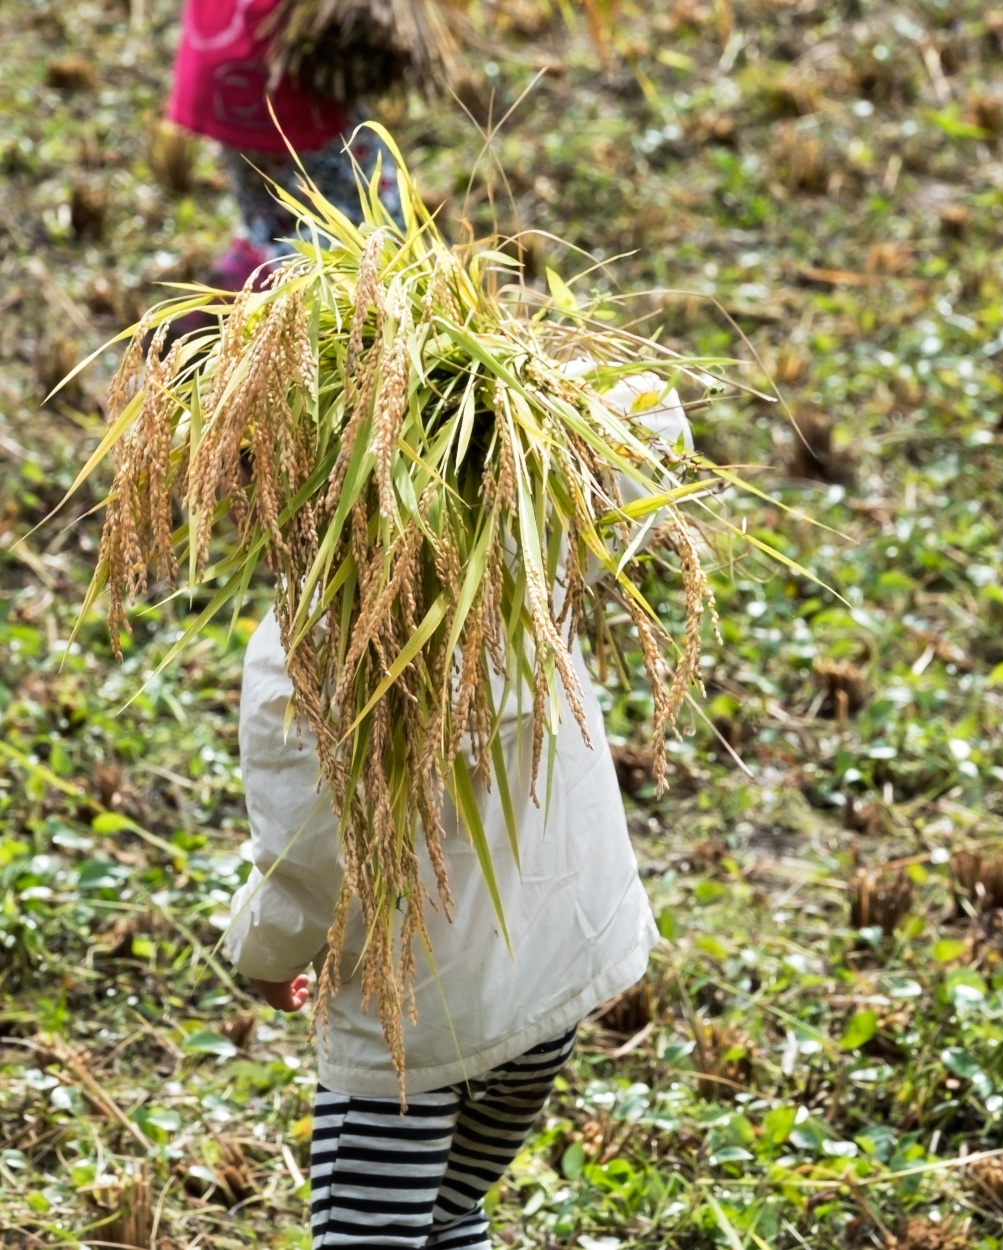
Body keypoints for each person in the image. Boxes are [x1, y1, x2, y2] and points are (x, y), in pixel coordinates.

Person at [225, 371, 692, 1248]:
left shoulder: (301, 654)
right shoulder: (526, 546)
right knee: (446, 1218)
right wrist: (504, 382)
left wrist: (264, 958)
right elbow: (647, 423)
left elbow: (307, 862)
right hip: (548, 992)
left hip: (410, 1040)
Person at [166, 0, 399, 289]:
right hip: (285, 75)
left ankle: (255, 265)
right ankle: (280, 285)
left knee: (265, 199)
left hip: (224, 66)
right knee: (370, 212)